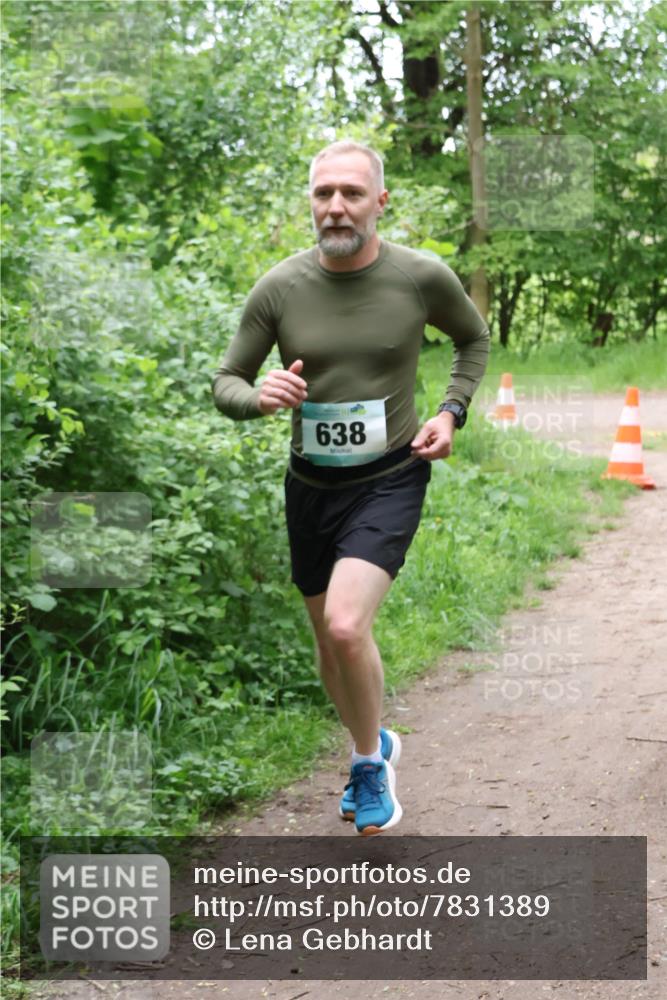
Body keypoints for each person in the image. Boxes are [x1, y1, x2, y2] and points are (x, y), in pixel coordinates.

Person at [211, 140, 490, 835]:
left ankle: (367, 765)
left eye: (352, 193)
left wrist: (449, 412)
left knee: (345, 623)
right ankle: (376, 738)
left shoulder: (419, 277)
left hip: (389, 477)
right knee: (327, 644)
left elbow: (473, 339)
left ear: (379, 202)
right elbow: (225, 382)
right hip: (309, 486)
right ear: (311, 201)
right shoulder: (280, 287)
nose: (336, 206)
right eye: (323, 193)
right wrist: (258, 397)